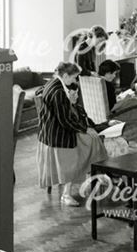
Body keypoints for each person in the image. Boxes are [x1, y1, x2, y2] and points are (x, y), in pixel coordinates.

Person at [36, 62, 108, 207]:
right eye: (74, 78)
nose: (75, 81)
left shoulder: (52, 83)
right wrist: (85, 128)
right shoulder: (58, 92)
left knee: (91, 140)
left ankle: (92, 174)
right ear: (65, 75)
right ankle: (66, 194)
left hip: (49, 132)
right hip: (57, 135)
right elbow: (65, 120)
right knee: (89, 142)